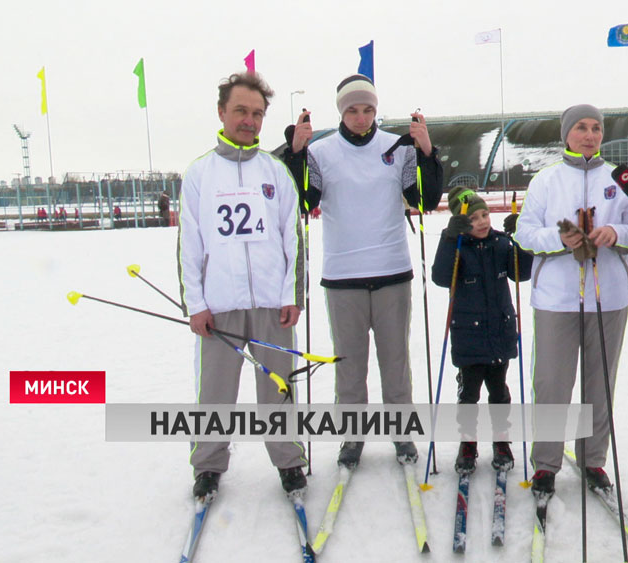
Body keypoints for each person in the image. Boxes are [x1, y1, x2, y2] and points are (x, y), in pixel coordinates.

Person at [284, 74, 443, 469]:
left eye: (368, 109)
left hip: (391, 271)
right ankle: (351, 437)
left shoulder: (398, 147)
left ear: (376, 110)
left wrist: (426, 153)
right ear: (341, 111)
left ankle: (402, 432)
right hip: (343, 276)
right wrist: (296, 153)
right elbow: (303, 200)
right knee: (349, 364)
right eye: (352, 110)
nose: (360, 117)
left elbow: (422, 198)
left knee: (395, 361)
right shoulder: (322, 152)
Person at [512, 104, 628, 497]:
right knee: (553, 384)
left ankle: (593, 459)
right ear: (566, 134)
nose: (589, 135)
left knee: (600, 384)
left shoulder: (618, 179)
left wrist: (615, 232)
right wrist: (559, 240)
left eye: (596, 128)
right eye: (581, 128)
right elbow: (525, 233)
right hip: (556, 299)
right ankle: (546, 464)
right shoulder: (546, 180)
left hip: (608, 298)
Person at [178, 71, 307, 500]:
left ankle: (289, 461)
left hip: (272, 305)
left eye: (257, 113)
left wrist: (291, 296)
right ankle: (208, 465)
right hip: (220, 306)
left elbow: (293, 238)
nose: (249, 120)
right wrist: (195, 304)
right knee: (215, 392)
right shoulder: (199, 174)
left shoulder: (275, 171)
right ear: (222, 112)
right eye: (240, 111)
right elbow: (190, 245)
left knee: (278, 388)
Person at [432, 186, 532, 474]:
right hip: (468, 335)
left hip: (499, 331)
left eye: (485, 214)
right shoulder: (458, 246)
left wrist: (521, 237)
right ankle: (468, 443)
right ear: (461, 221)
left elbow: (521, 273)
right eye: (473, 217)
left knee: (499, 392)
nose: (482, 221)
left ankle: (502, 441)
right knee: (469, 395)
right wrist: (451, 238)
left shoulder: (501, 243)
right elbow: (441, 277)